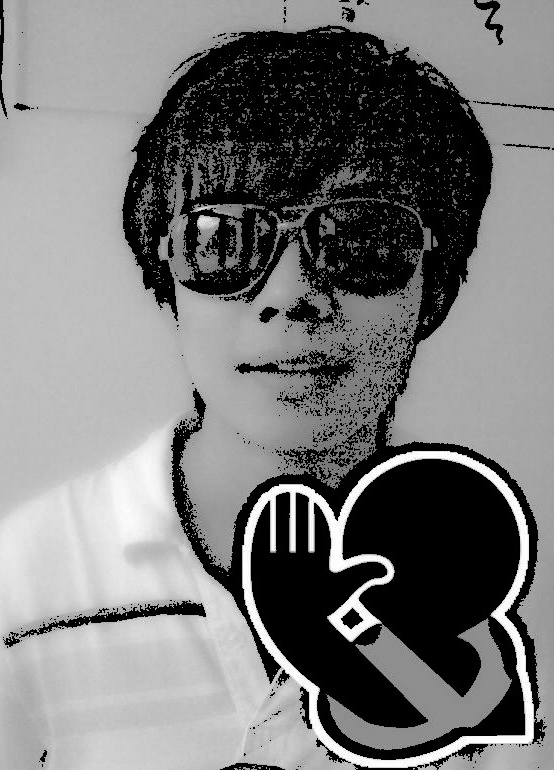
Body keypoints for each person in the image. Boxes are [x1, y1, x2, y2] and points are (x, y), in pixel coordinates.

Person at [0, 26, 544, 769]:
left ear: (434, 287)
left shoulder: (503, 609)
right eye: (224, 239)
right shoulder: (23, 589)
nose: (291, 294)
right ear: (167, 276)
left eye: (362, 239)